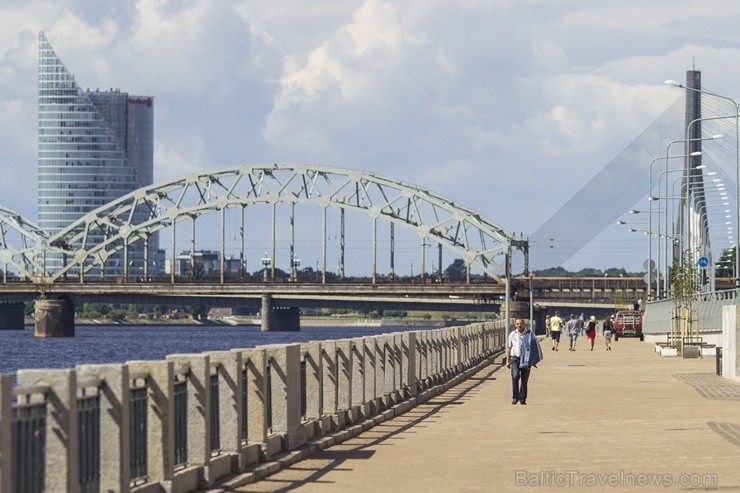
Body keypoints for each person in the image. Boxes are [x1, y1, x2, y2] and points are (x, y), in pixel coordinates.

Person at [506, 318, 543, 405]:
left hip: (526, 360)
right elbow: (509, 348)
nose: (519, 325)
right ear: (515, 325)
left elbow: (535, 347)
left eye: (521, 323)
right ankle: (515, 397)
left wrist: (533, 360)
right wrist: (507, 361)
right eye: (517, 324)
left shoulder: (530, 334)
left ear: (524, 324)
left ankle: (522, 398)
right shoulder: (512, 335)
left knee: (524, 379)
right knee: (515, 377)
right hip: (515, 358)